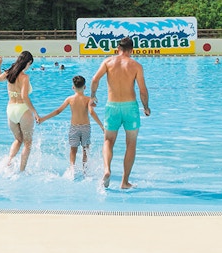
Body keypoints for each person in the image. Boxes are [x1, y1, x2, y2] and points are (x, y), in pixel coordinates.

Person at [90, 37, 150, 189]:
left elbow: (94, 79)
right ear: (132, 50)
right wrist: (146, 107)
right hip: (131, 108)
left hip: (112, 106)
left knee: (108, 141)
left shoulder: (108, 62)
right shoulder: (136, 65)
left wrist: (93, 96)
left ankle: (107, 170)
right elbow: (143, 90)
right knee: (131, 143)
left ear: (118, 49)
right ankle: (124, 182)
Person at [39, 75, 104, 172]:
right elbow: (91, 112)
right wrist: (101, 126)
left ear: (73, 87)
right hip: (86, 127)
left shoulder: (69, 99)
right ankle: (85, 170)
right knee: (85, 149)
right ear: (85, 87)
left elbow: (58, 111)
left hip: (74, 128)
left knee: (73, 149)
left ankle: (72, 169)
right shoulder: (88, 99)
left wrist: (43, 118)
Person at [0, 51, 40, 172]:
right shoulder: (24, 77)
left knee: (18, 139)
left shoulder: (9, 72)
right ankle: (21, 170)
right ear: (28, 62)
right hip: (22, 110)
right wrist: (35, 112)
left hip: (10, 110)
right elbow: (24, 97)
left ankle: (8, 162)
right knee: (27, 143)